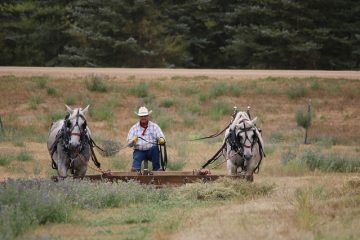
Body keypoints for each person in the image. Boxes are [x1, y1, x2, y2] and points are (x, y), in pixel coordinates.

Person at [127, 106, 166, 172]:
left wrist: (161, 139)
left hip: (151, 151)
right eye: (141, 116)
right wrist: (132, 141)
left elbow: (161, 136)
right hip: (139, 150)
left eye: (145, 116)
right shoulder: (134, 128)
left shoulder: (154, 126)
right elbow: (129, 144)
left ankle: (157, 170)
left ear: (148, 116)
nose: (143, 117)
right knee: (136, 160)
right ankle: (135, 174)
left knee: (155, 149)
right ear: (139, 117)